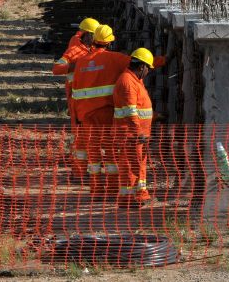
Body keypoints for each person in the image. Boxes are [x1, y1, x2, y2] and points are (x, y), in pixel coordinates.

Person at [70, 27, 166, 197]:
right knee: (111, 152)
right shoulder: (114, 58)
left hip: (86, 114)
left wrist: (76, 115)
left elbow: (75, 92)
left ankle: (96, 190)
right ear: (109, 42)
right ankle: (113, 189)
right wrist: (163, 60)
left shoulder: (81, 63)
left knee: (93, 153)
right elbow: (138, 61)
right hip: (107, 112)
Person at [51, 17, 101, 182]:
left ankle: (89, 171)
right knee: (80, 139)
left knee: (92, 137)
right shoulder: (74, 51)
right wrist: (75, 65)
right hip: (77, 100)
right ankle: (79, 173)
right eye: (94, 34)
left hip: (91, 101)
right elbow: (57, 69)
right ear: (87, 34)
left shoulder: (94, 50)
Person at [113, 48, 156, 208]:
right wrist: (138, 133)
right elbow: (130, 111)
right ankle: (133, 199)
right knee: (133, 167)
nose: (148, 72)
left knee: (135, 166)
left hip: (135, 134)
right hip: (131, 134)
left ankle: (135, 197)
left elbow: (139, 107)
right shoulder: (128, 82)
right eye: (148, 68)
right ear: (142, 66)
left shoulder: (134, 80)